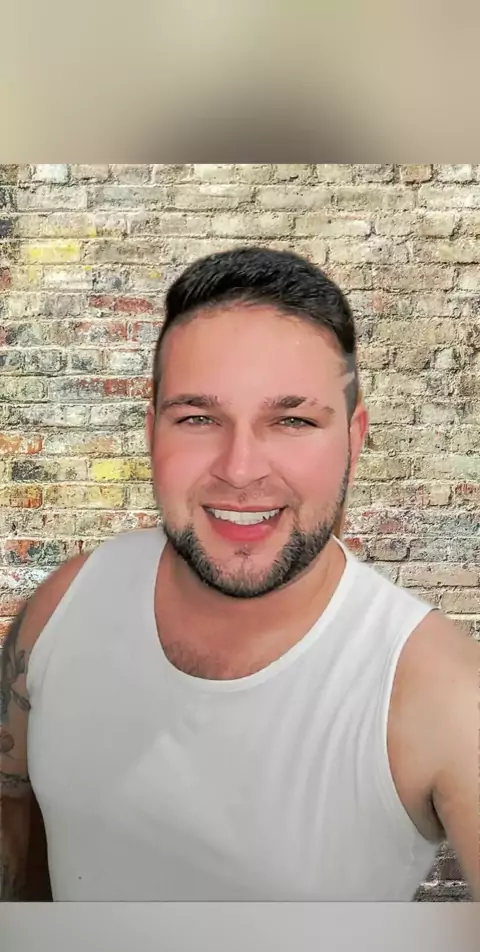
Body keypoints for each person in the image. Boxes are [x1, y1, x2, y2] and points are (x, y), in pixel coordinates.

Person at [1, 246, 478, 902]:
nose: (241, 468)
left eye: (292, 420)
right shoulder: (65, 602)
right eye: (198, 418)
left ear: (354, 438)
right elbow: (17, 816)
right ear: (153, 431)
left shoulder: (440, 691)